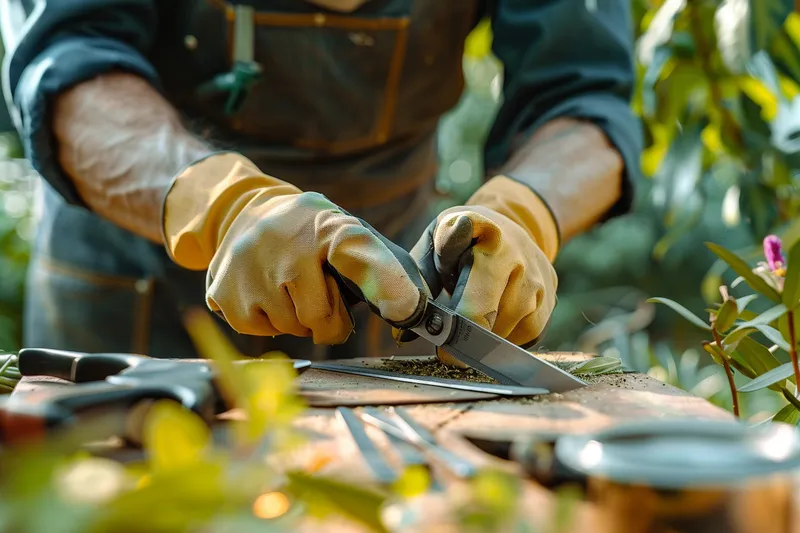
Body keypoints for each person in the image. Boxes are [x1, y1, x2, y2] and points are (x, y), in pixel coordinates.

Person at [2, 0, 641, 363]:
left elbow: (584, 93)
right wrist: (223, 208)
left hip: (391, 295)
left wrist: (523, 210)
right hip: (133, 291)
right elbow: (68, 64)